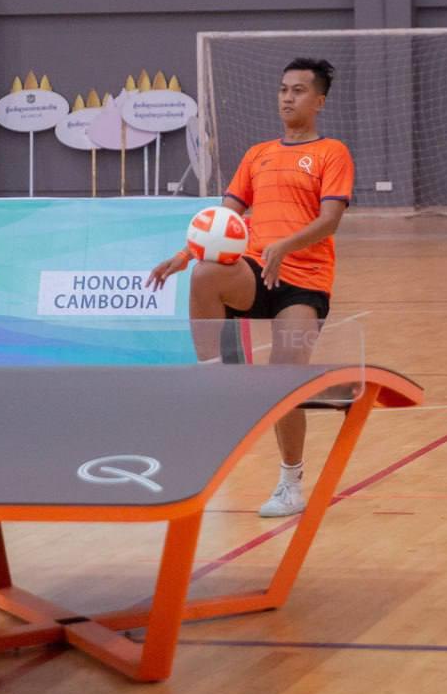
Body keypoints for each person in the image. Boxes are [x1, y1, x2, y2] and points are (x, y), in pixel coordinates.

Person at [146, 57, 355, 518]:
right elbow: (221, 220)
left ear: (319, 102)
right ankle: (215, 375)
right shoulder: (257, 154)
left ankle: (290, 482)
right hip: (255, 270)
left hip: (304, 283)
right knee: (206, 272)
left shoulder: (332, 152)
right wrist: (184, 255)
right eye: (283, 89)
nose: (287, 97)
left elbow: (330, 220)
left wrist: (285, 245)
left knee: (283, 380)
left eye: (298, 91)